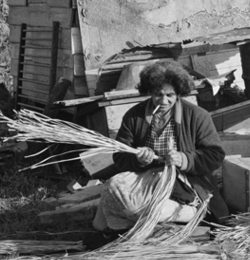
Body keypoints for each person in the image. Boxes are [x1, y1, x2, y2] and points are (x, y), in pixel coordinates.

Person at [91, 61, 228, 241]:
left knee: (136, 209)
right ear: (149, 91)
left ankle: (190, 213)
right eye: (158, 95)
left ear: (179, 92)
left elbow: (215, 154)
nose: (164, 101)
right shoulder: (134, 116)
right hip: (146, 176)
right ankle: (144, 222)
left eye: (170, 95)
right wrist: (139, 159)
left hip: (184, 182)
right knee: (111, 198)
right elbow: (120, 156)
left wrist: (184, 159)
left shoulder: (197, 116)